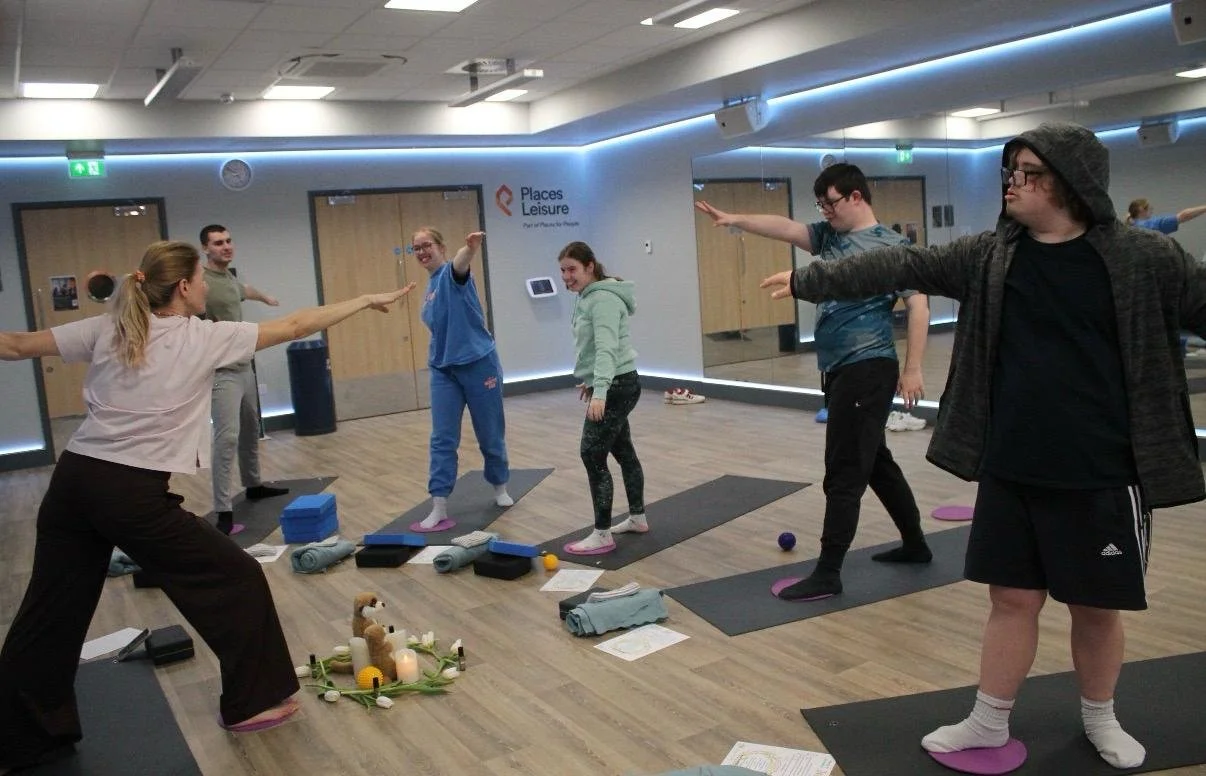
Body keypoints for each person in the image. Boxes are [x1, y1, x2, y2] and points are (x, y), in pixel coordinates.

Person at [761, 122, 1206, 770]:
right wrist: (813, 281)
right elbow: (904, 263)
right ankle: (989, 721)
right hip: (1012, 465)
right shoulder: (992, 257)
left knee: (1096, 607)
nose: (1012, 184)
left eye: (1029, 173)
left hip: (1103, 471)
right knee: (1011, 600)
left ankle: (1101, 717)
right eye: (1009, 171)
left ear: (1072, 181)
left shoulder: (1144, 258)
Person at [0, 240, 415, 770]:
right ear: (183, 287)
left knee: (50, 610)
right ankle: (251, 703)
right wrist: (363, 300)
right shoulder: (203, 336)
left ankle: (24, 737)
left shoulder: (110, 326)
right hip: (128, 492)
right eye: (200, 280)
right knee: (237, 578)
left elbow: (14, 345)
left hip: (73, 481)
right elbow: (296, 325)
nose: (205, 288)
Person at [695, 162, 932, 601]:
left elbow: (919, 306)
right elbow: (785, 228)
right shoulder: (829, 237)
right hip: (841, 370)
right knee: (875, 463)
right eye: (820, 205)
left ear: (856, 197)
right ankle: (915, 544)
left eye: (830, 203)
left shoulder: (894, 247)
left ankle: (828, 572)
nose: (825, 212)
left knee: (844, 471)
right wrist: (736, 219)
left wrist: (913, 368)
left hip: (868, 367)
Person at [412, 228, 511, 529]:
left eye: (426, 245)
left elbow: (460, 264)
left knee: (490, 432)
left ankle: (500, 487)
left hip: (479, 364)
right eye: (416, 248)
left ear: (441, 247)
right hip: (444, 369)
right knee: (442, 438)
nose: (421, 252)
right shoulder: (430, 287)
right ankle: (439, 504)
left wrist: (469, 249)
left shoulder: (451, 274)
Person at [557, 241, 646, 555]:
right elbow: (593, 348)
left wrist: (602, 391)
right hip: (616, 382)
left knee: (592, 454)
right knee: (623, 451)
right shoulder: (586, 297)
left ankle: (602, 534)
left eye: (572, 269)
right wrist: (591, 381)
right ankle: (637, 518)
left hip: (617, 386)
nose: (566, 276)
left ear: (590, 266)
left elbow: (607, 348)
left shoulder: (603, 299)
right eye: (562, 271)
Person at [200, 224, 287, 535]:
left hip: (244, 367)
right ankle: (223, 509)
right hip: (221, 372)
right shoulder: (202, 282)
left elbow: (243, 290)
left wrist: (266, 297)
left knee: (251, 429)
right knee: (227, 439)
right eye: (218, 243)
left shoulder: (228, 278)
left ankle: (253, 484)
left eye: (228, 241)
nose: (226, 246)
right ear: (205, 249)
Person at [1125, 197, 1206, 235]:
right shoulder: (1152, 225)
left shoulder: (1131, 226)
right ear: (1141, 210)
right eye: (1149, 207)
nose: (1152, 209)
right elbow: (1183, 216)